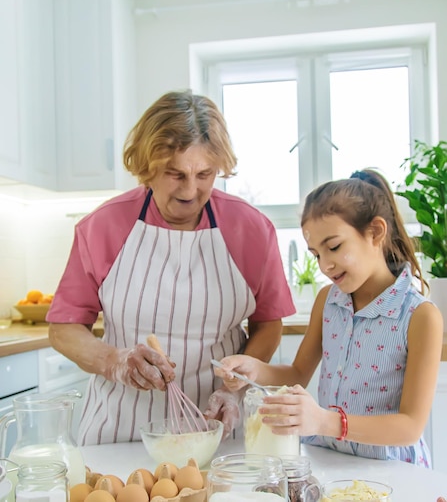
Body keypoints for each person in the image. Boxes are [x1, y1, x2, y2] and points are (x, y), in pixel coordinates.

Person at [47, 90, 295, 445]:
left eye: (205, 174)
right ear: (147, 168)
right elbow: (64, 329)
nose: (191, 191)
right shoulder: (103, 226)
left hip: (217, 430)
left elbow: (268, 324)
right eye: (174, 174)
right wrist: (114, 360)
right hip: (118, 431)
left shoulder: (251, 229)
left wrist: (233, 389)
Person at [214, 169, 443, 467]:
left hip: (391, 468)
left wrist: (325, 422)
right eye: (316, 254)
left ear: (375, 232)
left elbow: (410, 427)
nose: (325, 264)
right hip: (330, 460)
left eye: (334, 247)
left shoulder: (419, 316)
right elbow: (298, 373)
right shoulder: (328, 300)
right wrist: (254, 369)